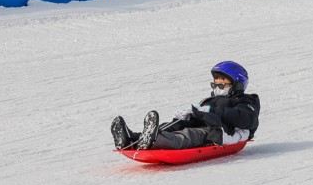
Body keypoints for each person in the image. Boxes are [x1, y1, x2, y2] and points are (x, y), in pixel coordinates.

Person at [111, 61, 260, 151]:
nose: (217, 84)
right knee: (173, 125)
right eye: (216, 80)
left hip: (217, 132)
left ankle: (155, 141)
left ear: (237, 84)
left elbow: (247, 119)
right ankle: (132, 138)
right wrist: (189, 114)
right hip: (203, 125)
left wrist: (211, 110)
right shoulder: (210, 99)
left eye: (222, 81)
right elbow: (199, 115)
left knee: (188, 134)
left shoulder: (246, 101)